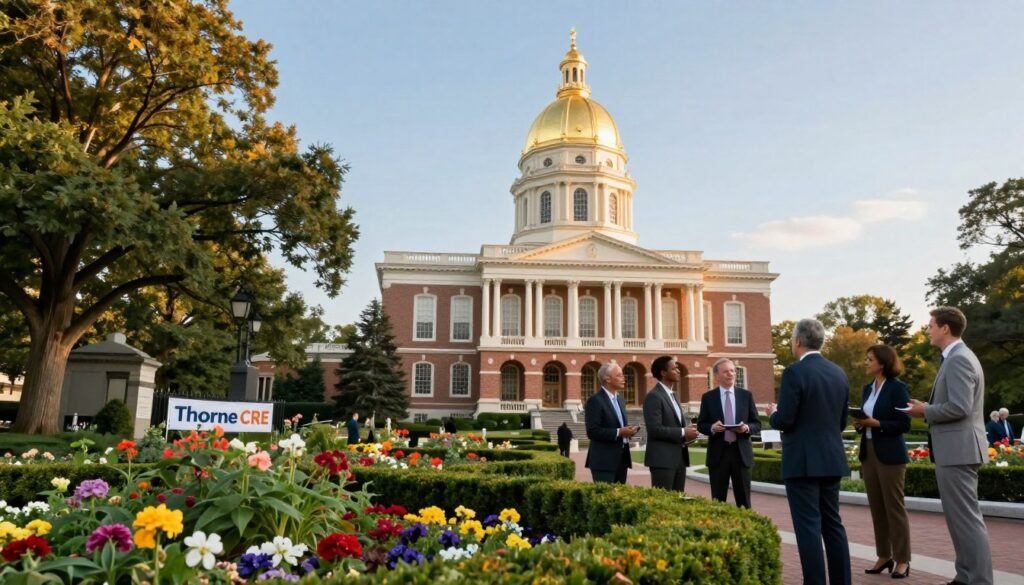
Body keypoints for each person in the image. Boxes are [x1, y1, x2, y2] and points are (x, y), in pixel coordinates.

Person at [907, 306, 993, 585]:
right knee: (960, 520)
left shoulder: (958, 359)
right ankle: (965, 576)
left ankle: (978, 579)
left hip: (959, 449)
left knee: (966, 520)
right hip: (957, 449)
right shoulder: (955, 357)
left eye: (931, 324)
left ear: (945, 328)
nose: (928, 328)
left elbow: (960, 407)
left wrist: (925, 411)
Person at [766, 318, 851, 585]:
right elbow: (841, 422)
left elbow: (786, 419)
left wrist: (773, 415)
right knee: (833, 525)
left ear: (798, 341)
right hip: (832, 458)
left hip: (803, 461)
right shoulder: (838, 372)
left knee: (808, 528)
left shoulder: (794, 373)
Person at [853, 344, 912, 578]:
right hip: (869, 452)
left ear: (883, 363)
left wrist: (875, 424)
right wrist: (861, 423)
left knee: (894, 508)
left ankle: (903, 560)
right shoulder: (868, 389)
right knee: (877, 508)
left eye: (869, 359)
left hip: (890, 455)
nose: (866, 363)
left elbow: (903, 424)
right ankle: (884, 556)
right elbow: (867, 418)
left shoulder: (898, 389)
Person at [696, 358, 761, 508]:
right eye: (725, 371)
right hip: (719, 454)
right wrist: (712, 427)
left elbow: (756, 424)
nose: (730, 374)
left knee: (744, 502)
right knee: (718, 502)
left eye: (732, 370)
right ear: (716, 375)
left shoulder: (746, 396)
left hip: (741, 454)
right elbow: (701, 425)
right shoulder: (708, 398)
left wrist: (746, 428)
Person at [643, 356, 699, 491]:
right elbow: (654, 429)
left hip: (679, 459)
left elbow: (676, 426)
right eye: (674, 368)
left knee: (677, 502)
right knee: (663, 505)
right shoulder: (654, 396)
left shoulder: (673, 396)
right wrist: (682, 432)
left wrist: (688, 434)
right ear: (663, 373)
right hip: (662, 461)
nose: (678, 371)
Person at [584, 361, 639, 483]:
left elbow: (618, 426)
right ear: (607, 379)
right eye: (619, 375)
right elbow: (592, 431)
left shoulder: (620, 400)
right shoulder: (595, 401)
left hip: (622, 459)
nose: (624, 378)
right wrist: (619, 432)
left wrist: (628, 431)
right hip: (604, 462)